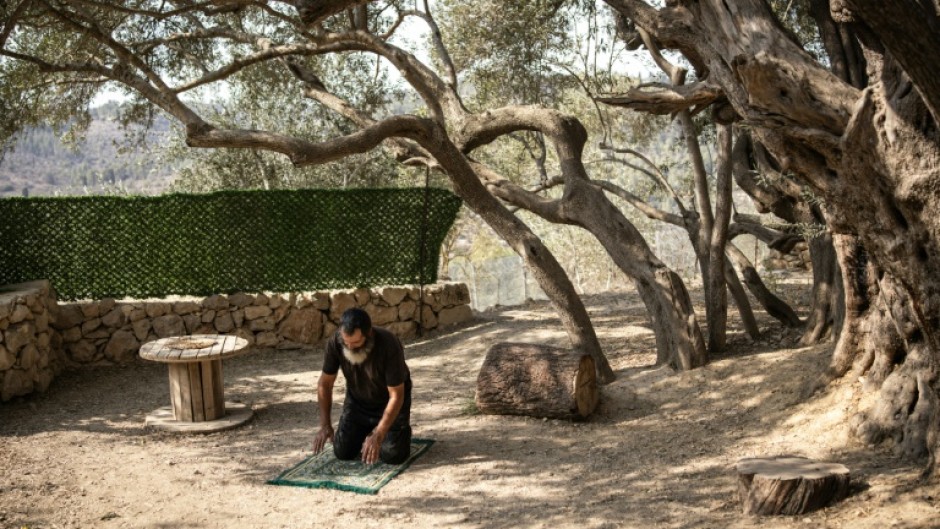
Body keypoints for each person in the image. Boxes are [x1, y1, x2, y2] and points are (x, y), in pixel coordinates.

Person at [312, 307, 412, 465]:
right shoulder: (336, 342)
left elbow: (397, 395)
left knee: (392, 455)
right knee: (342, 451)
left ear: (369, 334)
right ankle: (367, 431)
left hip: (390, 404)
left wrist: (379, 434)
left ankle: (399, 430)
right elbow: (325, 384)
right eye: (347, 343)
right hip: (358, 402)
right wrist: (325, 425)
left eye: (357, 342)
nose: (351, 348)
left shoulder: (388, 343)